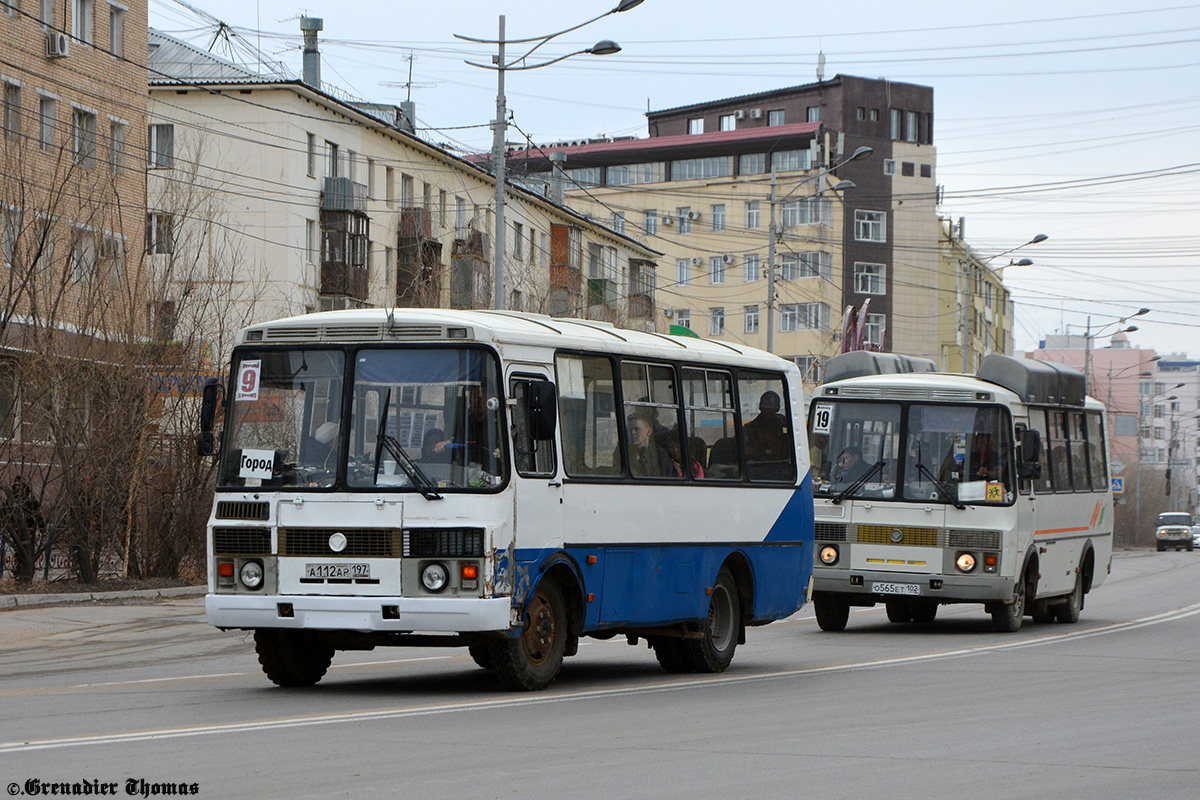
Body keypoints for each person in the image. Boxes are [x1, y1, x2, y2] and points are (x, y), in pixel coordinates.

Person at [4, 476, 43, 583]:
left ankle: (24, 573)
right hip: (15, 529)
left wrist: (42, 527)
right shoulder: (11, 499)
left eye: (19, 485)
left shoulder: (29, 499)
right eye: (16, 485)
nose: (17, 487)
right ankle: (19, 571)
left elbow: (37, 514)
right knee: (18, 550)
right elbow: (6, 513)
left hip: (28, 529)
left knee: (26, 551)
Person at [743, 390, 790, 463]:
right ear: (760, 408)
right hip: (757, 466)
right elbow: (743, 449)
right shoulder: (750, 428)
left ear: (777, 409)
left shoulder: (785, 424)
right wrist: (763, 451)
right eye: (766, 409)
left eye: (771, 410)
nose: (768, 413)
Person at [625, 413, 672, 478]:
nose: (632, 433)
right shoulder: (625, 452)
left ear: (649, 431)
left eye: (637, 429)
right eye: (630, 430)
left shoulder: (659, 455)